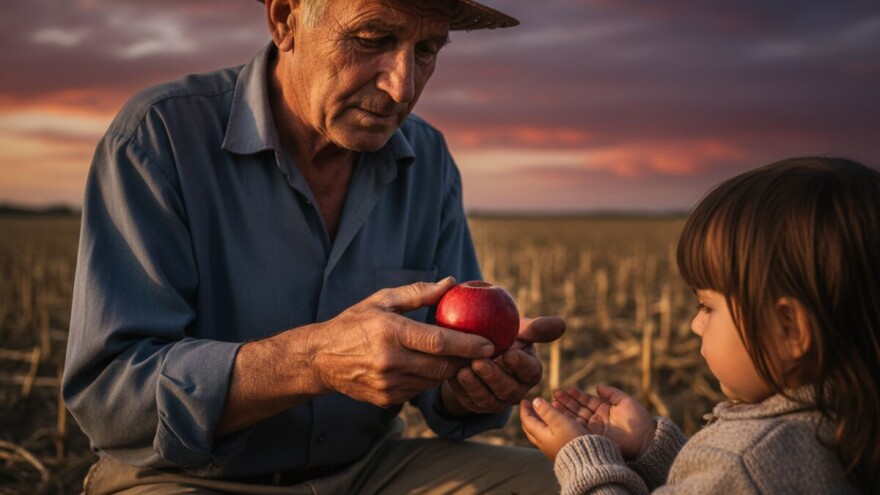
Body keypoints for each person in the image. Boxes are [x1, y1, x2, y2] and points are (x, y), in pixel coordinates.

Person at [62, 0, 566, 493]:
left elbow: (444, 395)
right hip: (186, 478)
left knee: (577, 483)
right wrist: (314, 361)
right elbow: (110, 398)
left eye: (427, 49)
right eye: (372, 40)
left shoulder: (428, 159)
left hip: (370, 471)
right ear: (285, 19)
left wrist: (472, 384)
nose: (402, 87)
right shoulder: (159, 137)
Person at [520, 157, 879, 494]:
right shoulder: (842, 426)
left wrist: (585, 462)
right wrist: (649, 445)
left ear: (790, 329)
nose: (694, 325)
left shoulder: (747, 462)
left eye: (707, 306)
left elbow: (737, 475)